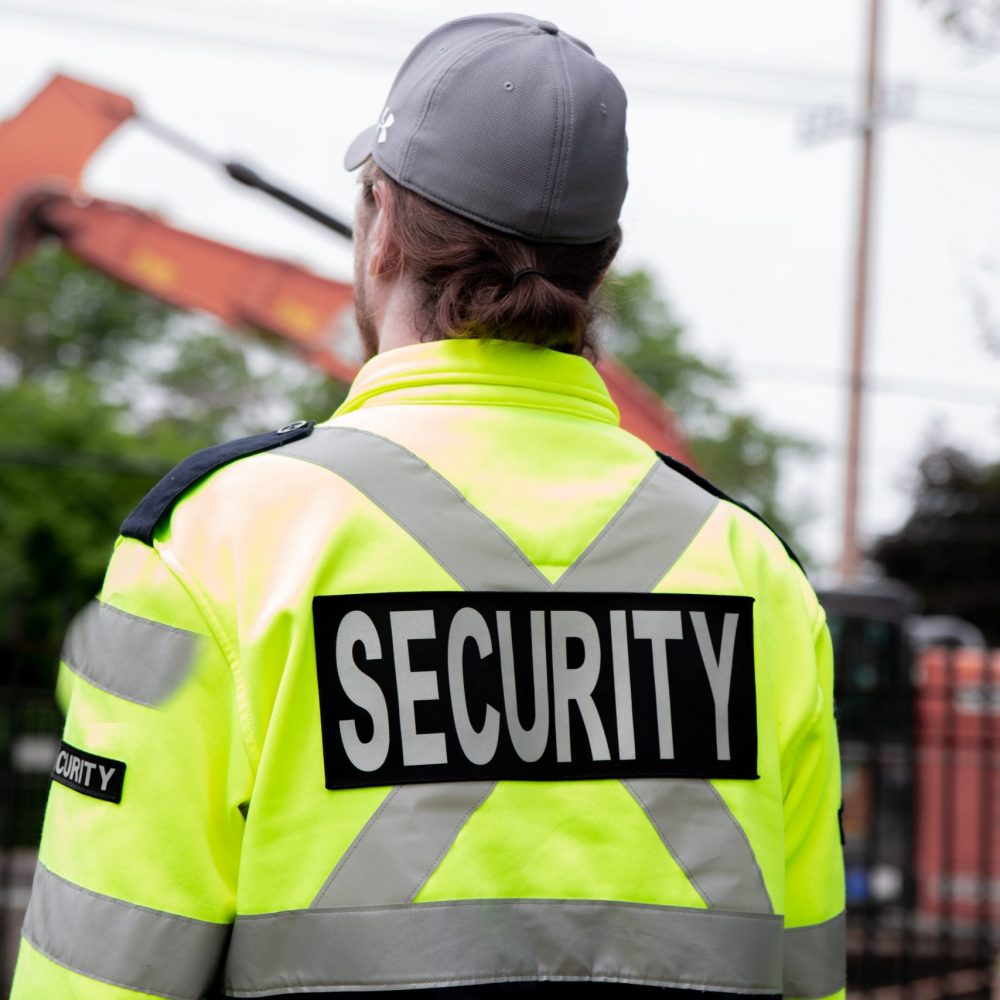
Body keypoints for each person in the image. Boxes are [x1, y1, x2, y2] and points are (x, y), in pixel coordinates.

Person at [11, 13, 844, 1000]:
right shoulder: (761, 583)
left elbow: (93, 979)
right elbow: (810, 980)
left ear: (381, 227)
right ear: (600, 263)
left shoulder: (208, 546)